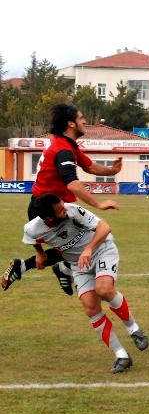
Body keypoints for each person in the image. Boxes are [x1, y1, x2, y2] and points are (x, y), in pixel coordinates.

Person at [2, 103, 122, 295]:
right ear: (71, 124)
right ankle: (58, 269)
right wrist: (99, 204)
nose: (85, 121)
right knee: (84, 241)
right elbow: (72, 184)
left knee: (72, 245)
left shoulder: (65, 145)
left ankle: (58, 269)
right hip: (50, 208)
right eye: (81, 118)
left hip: (46, 205)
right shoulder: (63, 150)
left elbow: (89, 166)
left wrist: (111, 170)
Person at [22, 193, 148, 373]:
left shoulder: (74, 212)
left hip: (102, 249)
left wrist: (88, 249)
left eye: (64, 205)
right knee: (91, 307)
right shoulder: (32, 228)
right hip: (78, 264)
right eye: (60, 210)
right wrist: (41, 253)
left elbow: (104, 227)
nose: (65, 209)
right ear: (48, 218)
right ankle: (121, 355)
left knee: (104, 289)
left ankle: (134, 329)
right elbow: (31, 238)